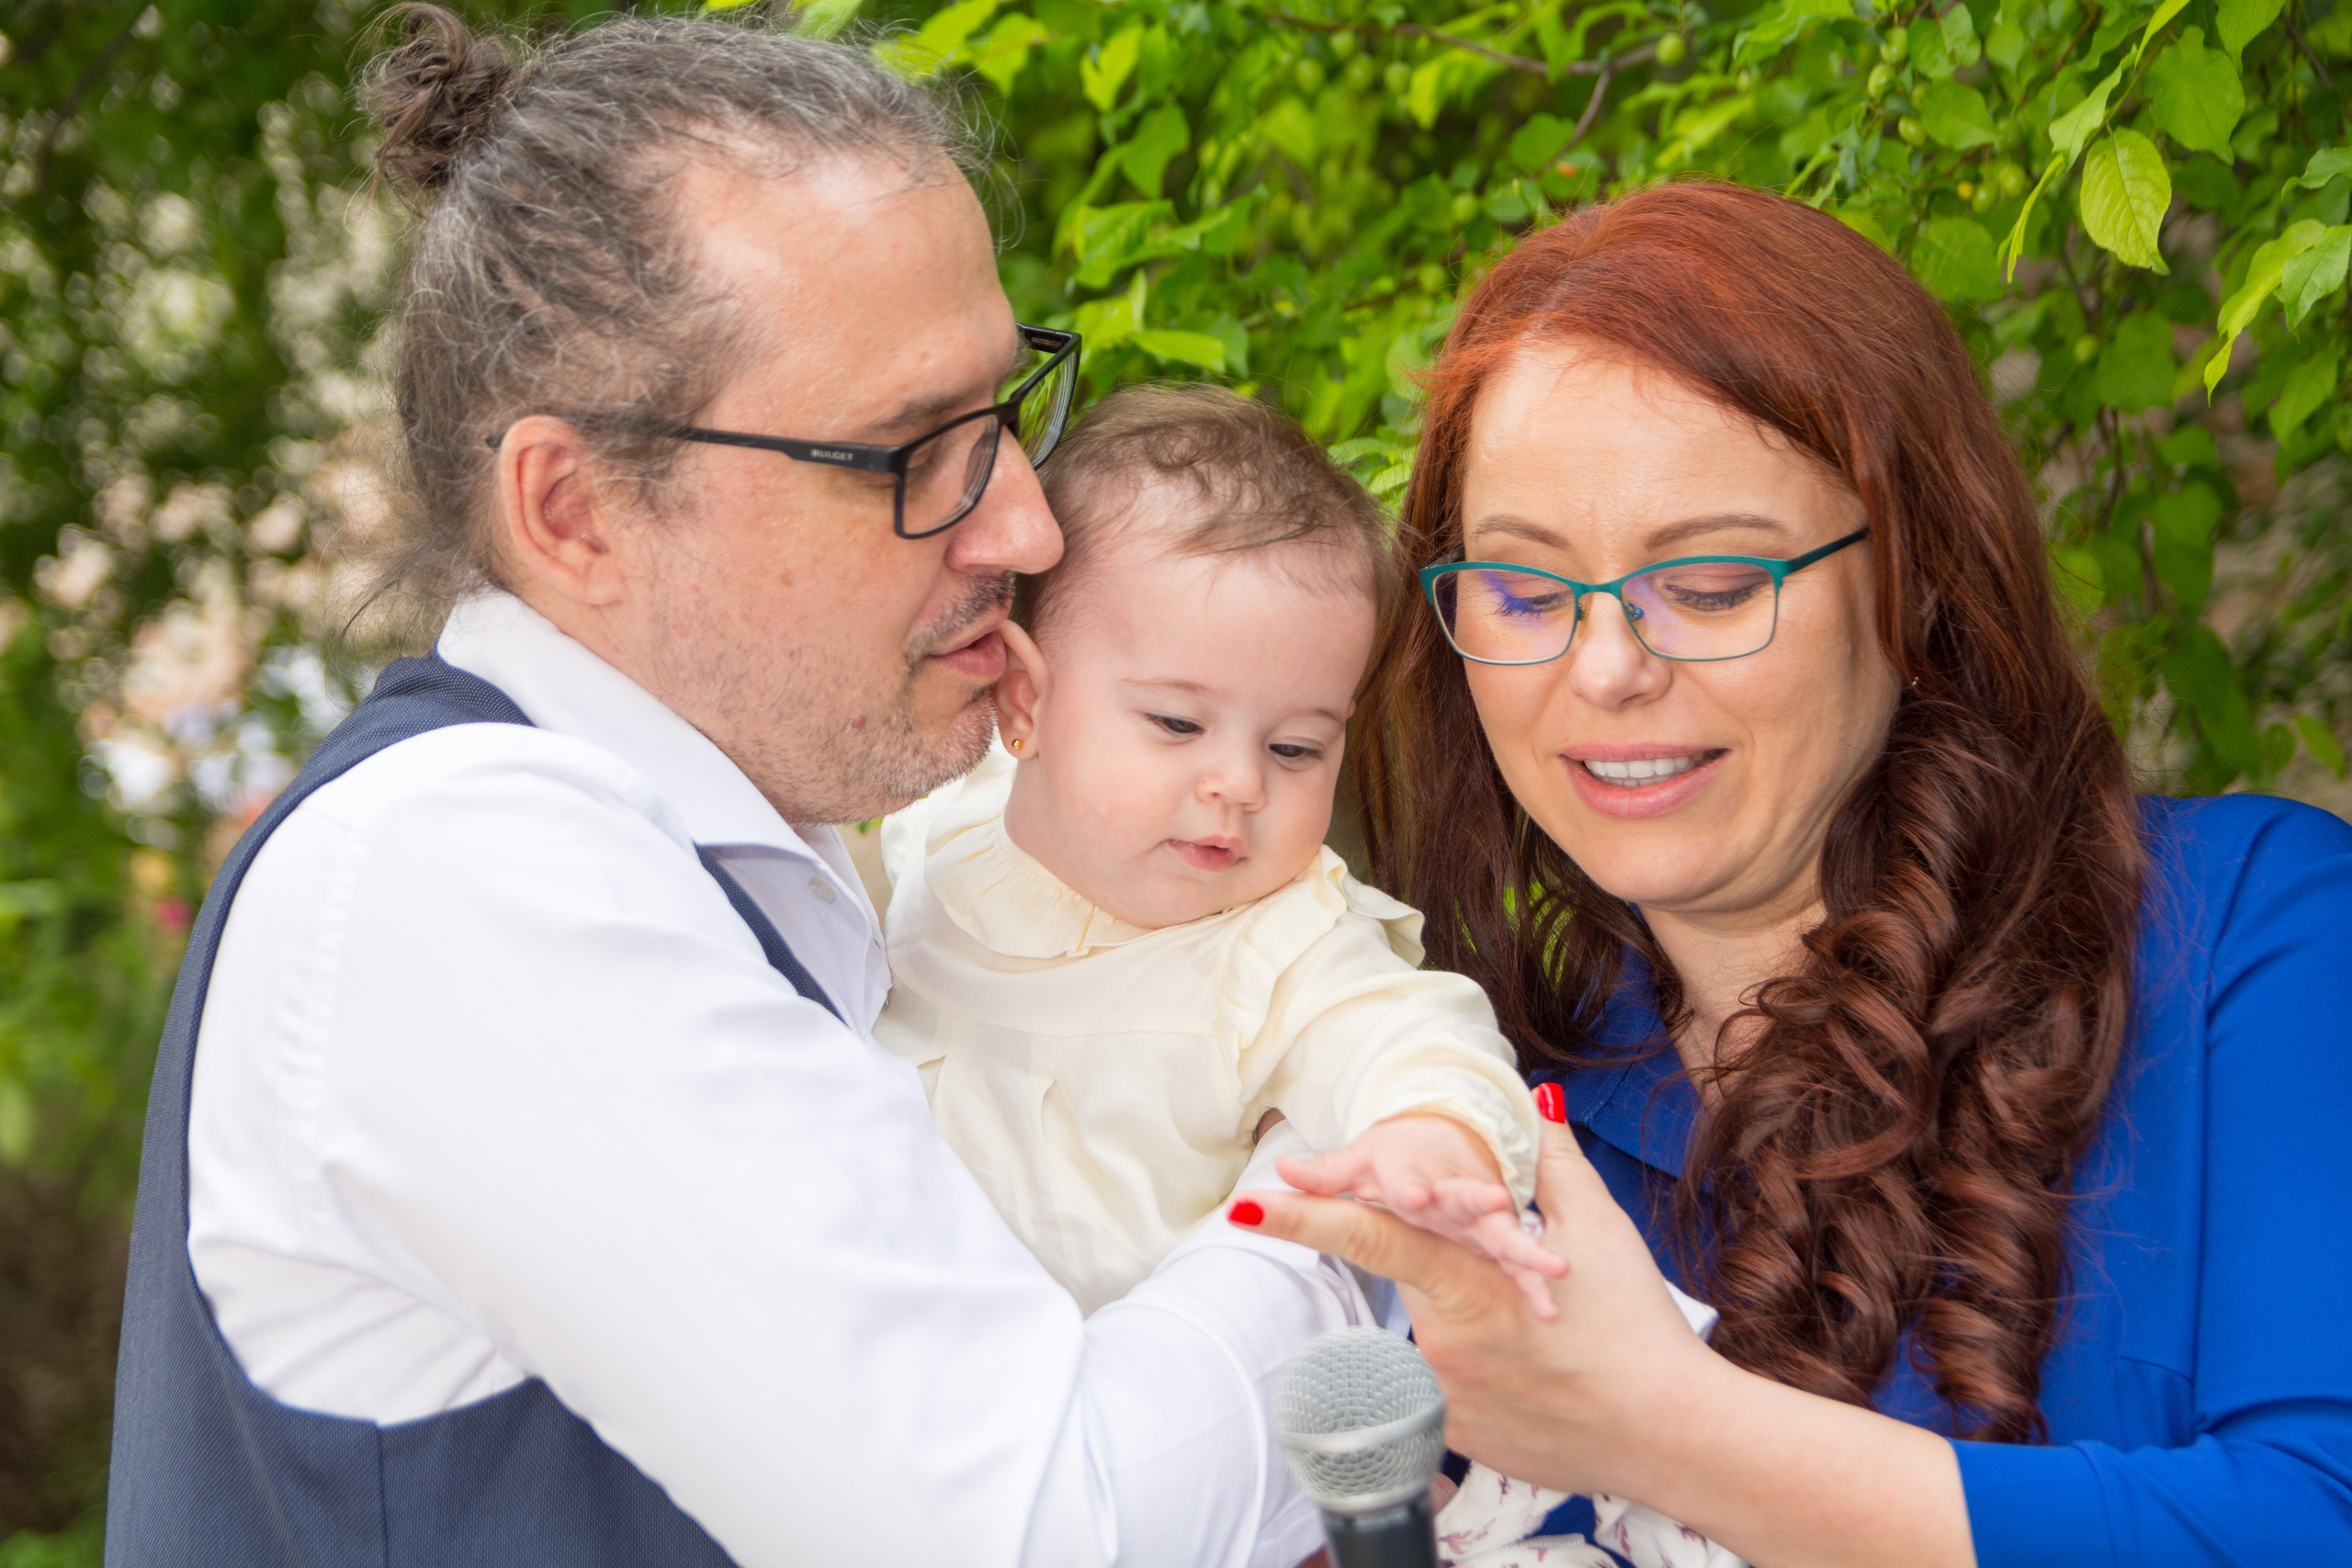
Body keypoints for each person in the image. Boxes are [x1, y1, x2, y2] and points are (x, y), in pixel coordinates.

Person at [106, 12, 1365, 1567]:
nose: (1028, 526)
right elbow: (1046, 1527)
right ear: (575, 512)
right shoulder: (468, 876)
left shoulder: (773, 849)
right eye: (913, 449)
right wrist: (1365, 1219)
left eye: (1007, 408)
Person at [1235, 179, 2352, 1568]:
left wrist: (1663, 1427)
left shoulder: (2249, 930)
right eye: (1525, 591)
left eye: (1707, 582)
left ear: (1921, 578)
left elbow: (2322, 1515)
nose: (1606, 670)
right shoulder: (1467, 1103)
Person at [873, 382, 1556, 1318]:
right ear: (1026, 702)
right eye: (1176, 721)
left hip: (1169, 1414)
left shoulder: (1282, 946)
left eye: (1294, 748)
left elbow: (1410, 1035)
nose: (1239, 783)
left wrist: (1434, 1138)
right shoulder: (940, 826)